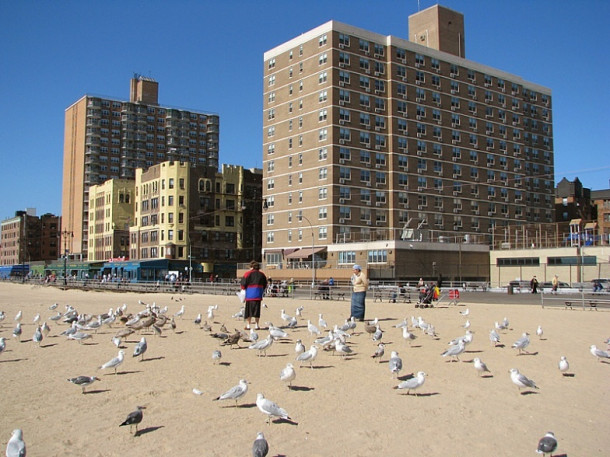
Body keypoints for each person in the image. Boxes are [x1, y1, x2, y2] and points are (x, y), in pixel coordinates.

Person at [240, 260, 268, 330]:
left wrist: (243, 290)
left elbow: (243, 284)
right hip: (258, 294)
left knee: (248, 311)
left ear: (252, 267)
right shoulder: (262, 274)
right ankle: (257, 325)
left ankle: (248, 325)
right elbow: (265, 284)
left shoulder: (247, 274)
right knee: (257, 310)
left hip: (250, 294)